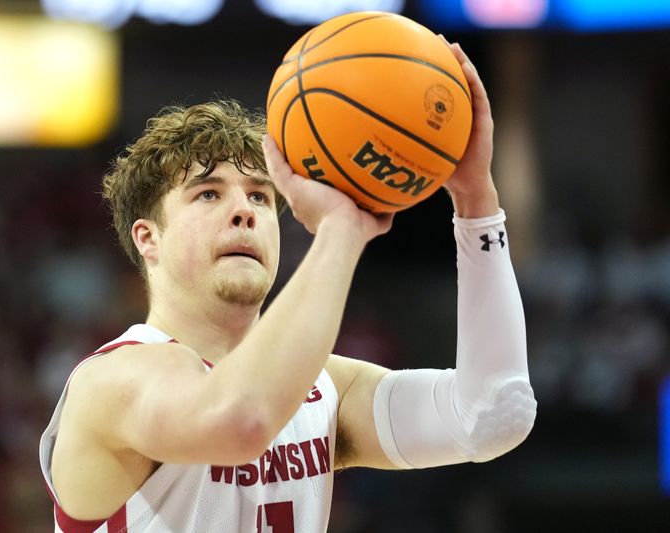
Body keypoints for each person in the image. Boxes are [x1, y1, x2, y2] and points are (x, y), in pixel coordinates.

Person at [39, 38, 537, 532]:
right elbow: (241, 421)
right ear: (148, 239)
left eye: (259, 196)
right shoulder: (115, 380)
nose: (243, 211)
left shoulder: (322, 388)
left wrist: (476, 202)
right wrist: (344, 228)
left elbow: (492, 415)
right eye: (207, 194)